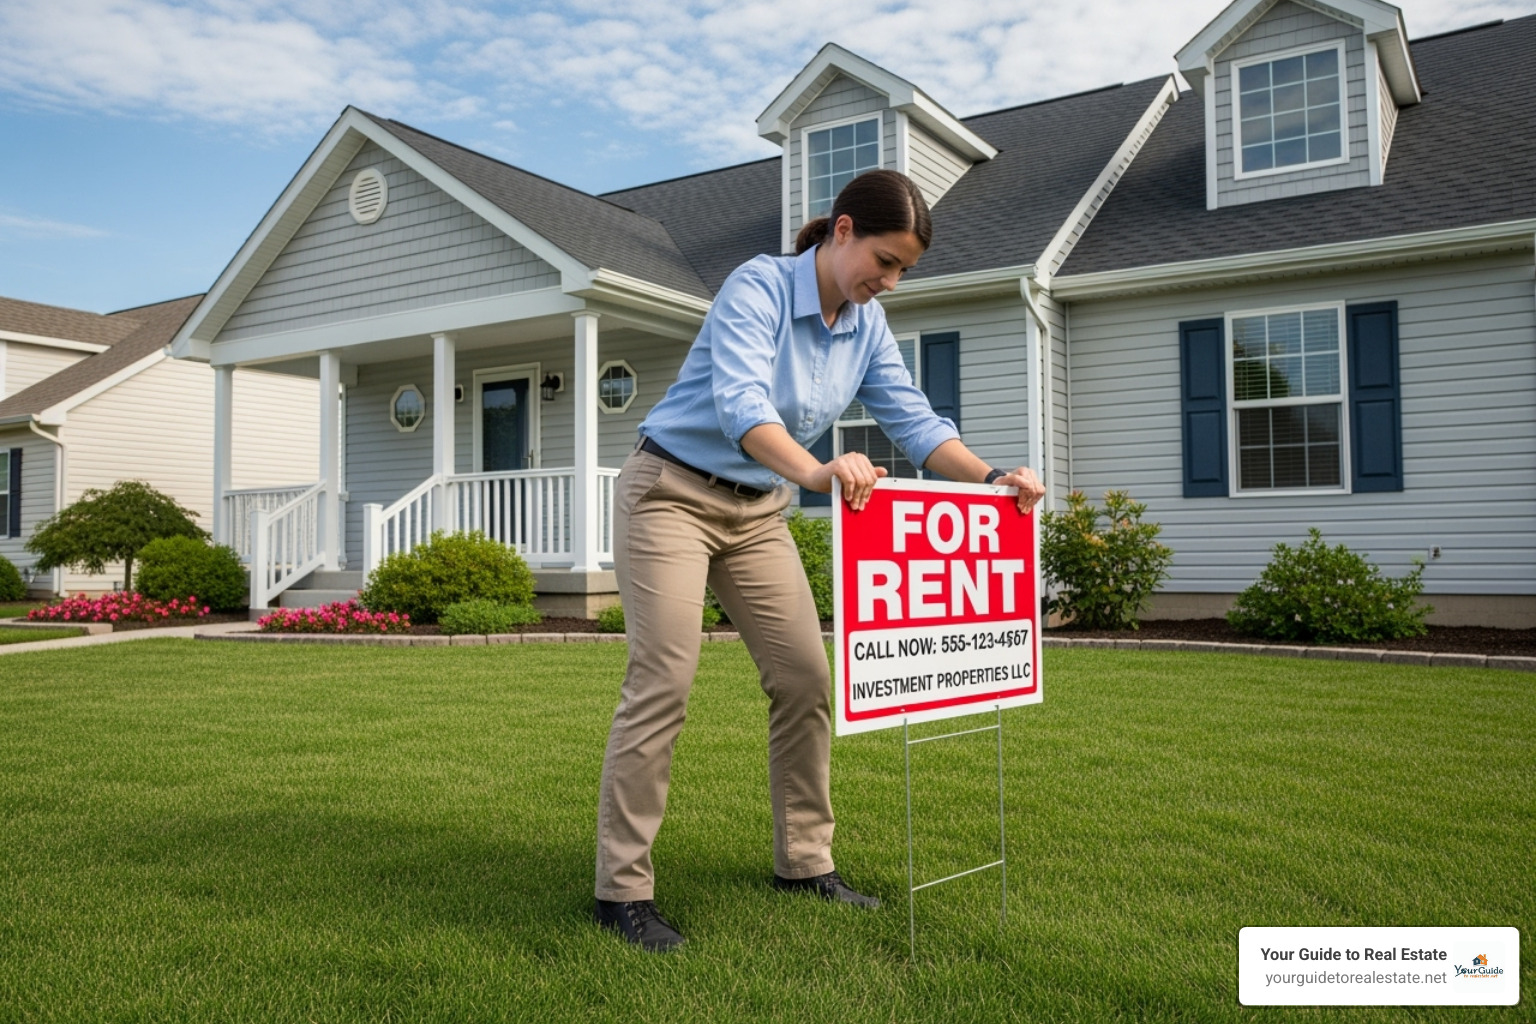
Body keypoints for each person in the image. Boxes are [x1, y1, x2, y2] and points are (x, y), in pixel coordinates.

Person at [593, 169, 1045, 951]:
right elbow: (741, 404)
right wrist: (816, 472)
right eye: (885, 260)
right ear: (842, 231)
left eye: (903, 270)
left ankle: (805, 864)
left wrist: (994, 478)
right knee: (663, 680)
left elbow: (914, 420)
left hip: (756, 511)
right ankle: (622, 890)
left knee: (806, 678)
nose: (890, 281)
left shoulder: (866, 325)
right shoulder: (760, 286)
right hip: (669, 493)